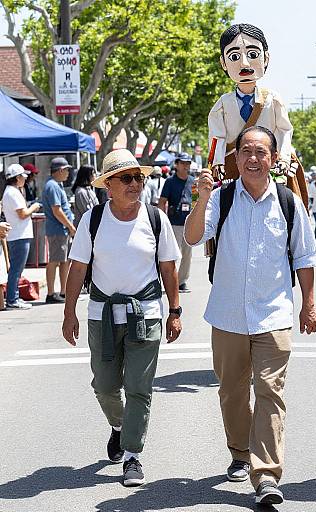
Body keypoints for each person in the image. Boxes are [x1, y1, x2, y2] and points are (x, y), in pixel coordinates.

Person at [184, 126, 316, 506]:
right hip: (227, 314)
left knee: (270, 392)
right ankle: (239, 454)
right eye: (246, 151)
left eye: (261, 152)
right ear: (237, 158)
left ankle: (267, 475)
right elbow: (193, 238)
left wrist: (309, 303)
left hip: (273, 314)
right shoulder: (221, 198)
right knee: (231, 392)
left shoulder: (289, 202)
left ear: (273, 159)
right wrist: (201, 198)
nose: (253, 158)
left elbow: (306, 257)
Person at [62, 148, 182, 487]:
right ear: (108, 185)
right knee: (104, 386)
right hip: (102, 314)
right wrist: (68, 311)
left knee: (139, 388)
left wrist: (174, 311)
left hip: (147, 315)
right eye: (126, 178)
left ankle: (132, 455)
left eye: (138, 178)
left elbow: (168, 268)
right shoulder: (93, 219)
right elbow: (78, 267)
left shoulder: (155, 218)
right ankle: (119, 425)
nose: (135, 184)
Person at [208, 23, 309, 208]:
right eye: (234, 56)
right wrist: (217, 163)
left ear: (266, 58)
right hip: (233, 167)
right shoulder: (222, 104)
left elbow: (285, 130)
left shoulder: (273, 99)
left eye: (253, 54)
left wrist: (284, 159)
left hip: (270, 165)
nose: (245, 63)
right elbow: (217, 137)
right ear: (223, 62)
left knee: (288, 205)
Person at [1, 164, 41, 309]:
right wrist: (35, 207)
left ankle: (13, 297)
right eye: (22, 177)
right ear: (17, 178)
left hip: (18, 235)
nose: (24, 180)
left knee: (16, 269)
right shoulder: (12, 192)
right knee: (16, 269)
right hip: (19, 236)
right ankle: (12, 299)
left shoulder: (11, 192)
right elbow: (22, 214)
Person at [158, 152, 194, 293]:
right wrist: (161, 221)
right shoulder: (170, 182)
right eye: (183, 163)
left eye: (188, 163)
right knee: (172, 253)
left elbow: (197, 200)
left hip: (189, 223)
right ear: (177, 164)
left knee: (187, 254)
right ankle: (170, 280)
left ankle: (182, 281)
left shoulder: (193, 181)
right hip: (173, 223)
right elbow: (162, 202)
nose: (186, 166)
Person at [41, 157, 76, 303]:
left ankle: (62, 291)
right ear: (60, 170)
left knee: (63, 261)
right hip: (57, 229)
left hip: (61, 230)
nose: (68, 173)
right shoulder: (52, 186)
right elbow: (57, 210)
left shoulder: (56, 185)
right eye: (67, 170)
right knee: (55, 261)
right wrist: (70, 226)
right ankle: (50, 293)